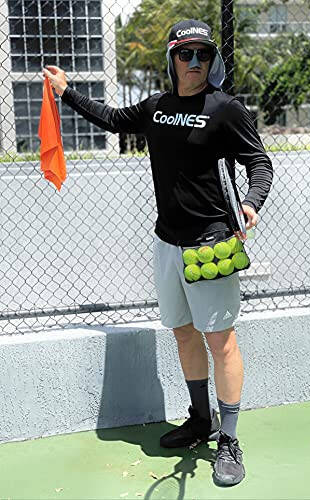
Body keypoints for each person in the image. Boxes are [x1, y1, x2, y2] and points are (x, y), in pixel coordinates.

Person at [42, 19, 273, 487]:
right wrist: (66, 92)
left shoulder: (226, 109)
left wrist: (251, 202)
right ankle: (200, 420)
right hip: (166, 242)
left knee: (220, 341)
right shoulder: (157, 107)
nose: (194, 63)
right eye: (185, 54)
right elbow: (111, 118)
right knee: (185, 334)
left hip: (212, 245)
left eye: (203, 55)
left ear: (213, 62)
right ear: (172, 58)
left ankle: (228, 439)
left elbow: (259, 163)